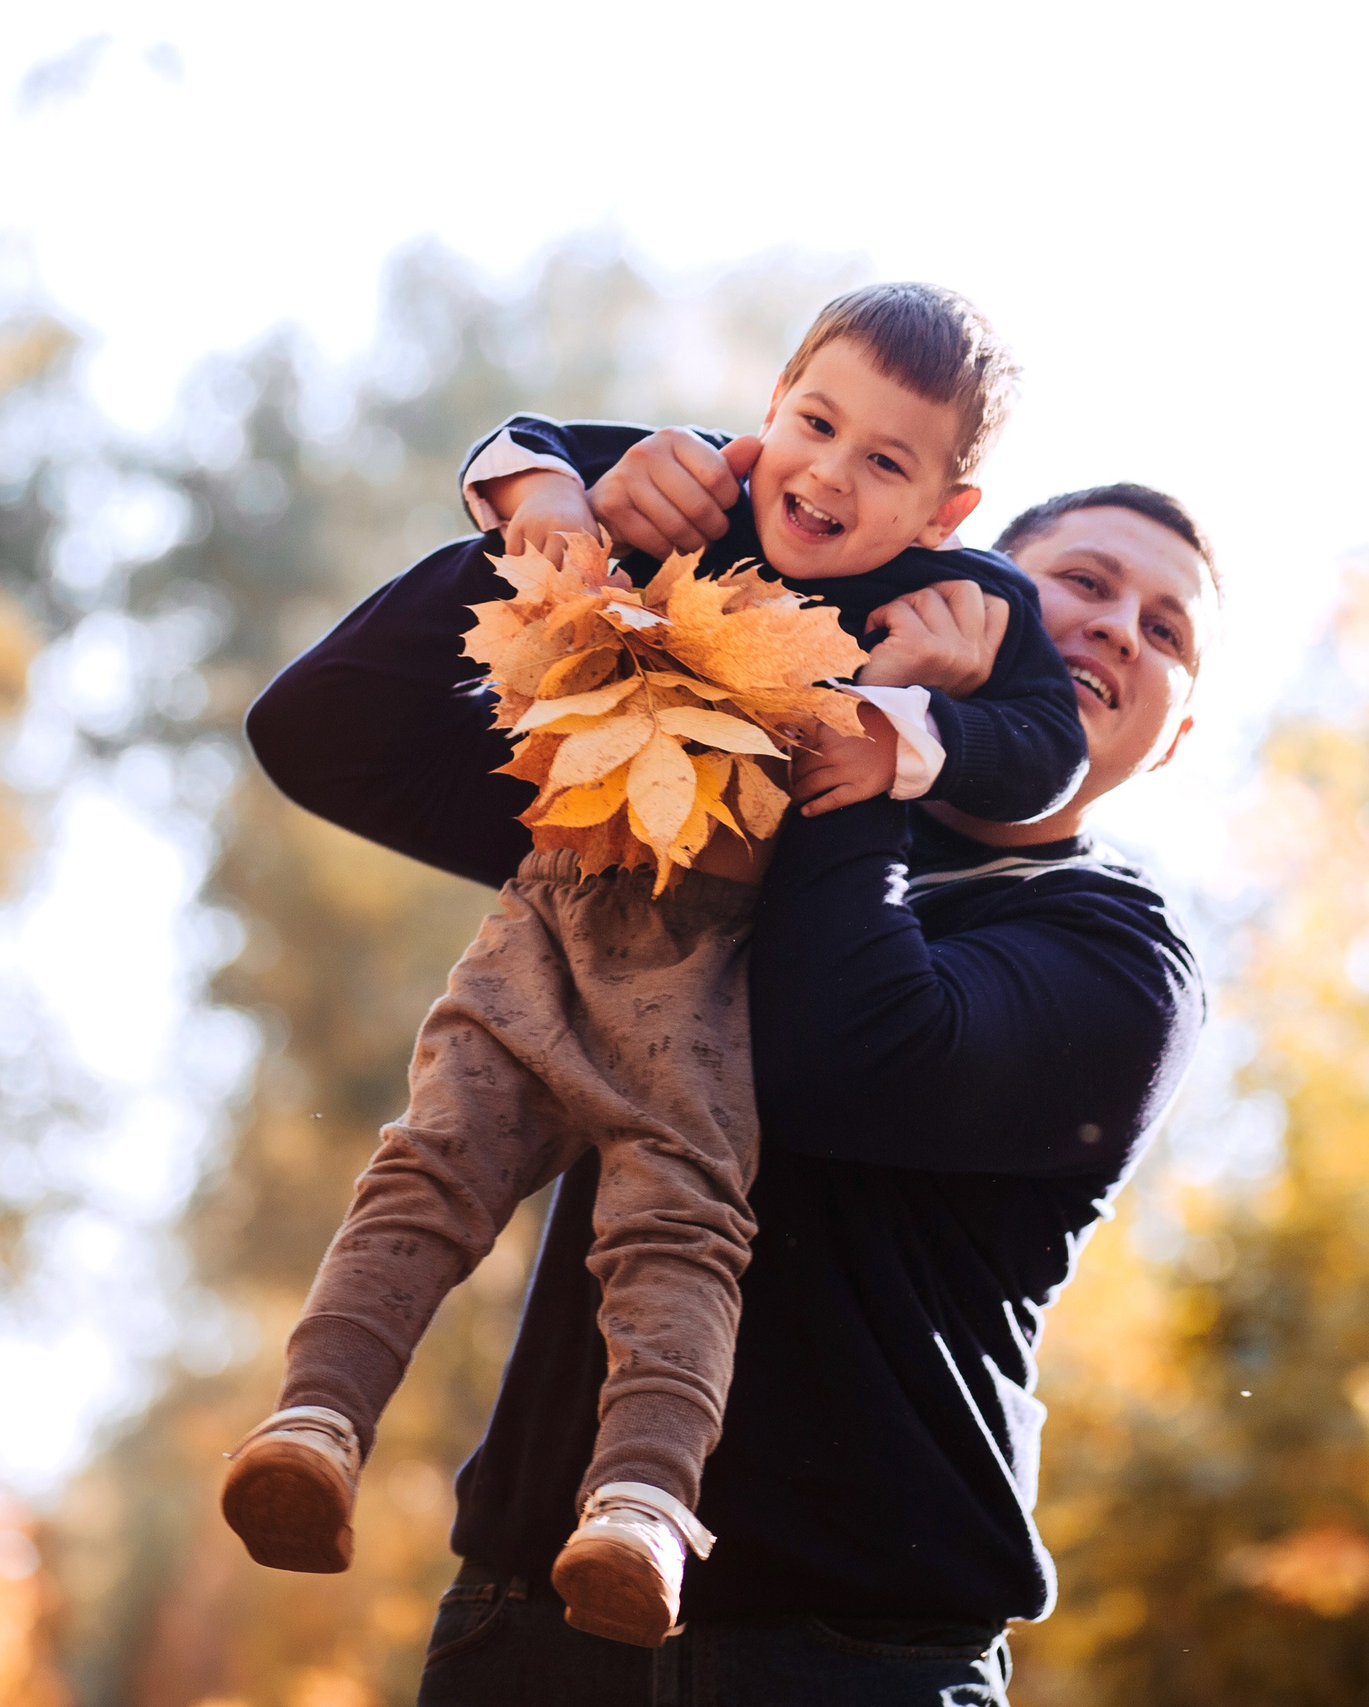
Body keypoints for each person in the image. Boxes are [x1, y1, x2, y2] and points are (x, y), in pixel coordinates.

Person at [247, 410, 1217, 1703]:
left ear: (1179, 731)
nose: (1117, 627)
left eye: (1167, 630)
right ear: (962, 575)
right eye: (1085, 585)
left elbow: (831, 1056)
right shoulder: (681, 796)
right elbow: (329, 729)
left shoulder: (1115, 954)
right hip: (531, 1627)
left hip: (860, 1658)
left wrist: (870, 729)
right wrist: (584, 521)